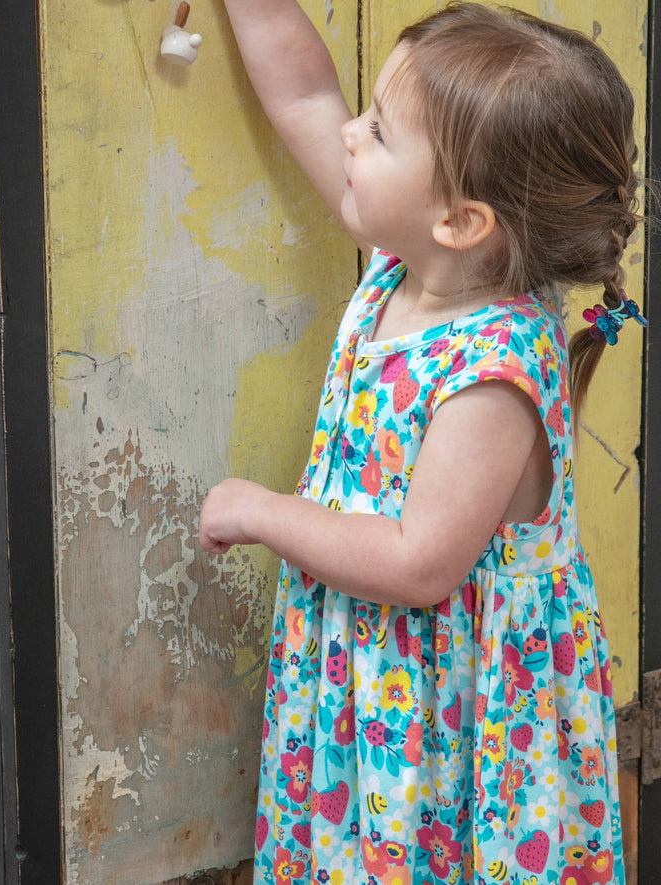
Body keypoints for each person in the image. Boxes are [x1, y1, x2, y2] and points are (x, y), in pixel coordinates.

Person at [199, 2, 646, 882]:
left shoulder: (491, 371)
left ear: (462, 220)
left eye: (378, 131)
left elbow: (417, 564)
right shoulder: (410, 262)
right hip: (381, 694)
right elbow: (303, 94)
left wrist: (262, 511)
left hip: (454, 723)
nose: (351, 137)